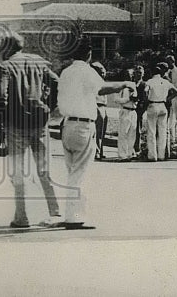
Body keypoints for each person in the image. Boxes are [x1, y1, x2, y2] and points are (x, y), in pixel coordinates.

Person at [57, 41, 135, 227]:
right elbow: (102, 88)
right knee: (81, 173)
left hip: (67, 124)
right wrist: (125, 83)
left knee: (72, 171)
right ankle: (75, 217)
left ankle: (71, 214)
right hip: (83, 125)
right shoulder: (86, 70)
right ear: (89, 54)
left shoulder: (66, 72)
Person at [0, 33, 62, 228]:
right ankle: (55, 212)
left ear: (7, 48)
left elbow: (1, 95)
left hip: (15, 124)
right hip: (40, 123)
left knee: (18, 172)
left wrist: (2, 119)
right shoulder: (39, 64)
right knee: (44, 170)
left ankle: (22, 217)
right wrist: (49, 105)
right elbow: (56, 82)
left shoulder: (5, 67)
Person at [144, 62, 177, 161]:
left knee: (152, 131)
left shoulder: (150, 81)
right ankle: (161, 155)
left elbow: (145, 91)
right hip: (162, 105)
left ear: (152, 73)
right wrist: (167, 99)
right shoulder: (165, 82)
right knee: (162, 131)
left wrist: (146, 101)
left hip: (153, 104)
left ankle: (152, 155)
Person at [114, 68, 139, 161]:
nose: (130, 76)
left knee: (132, 133)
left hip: (133, 111)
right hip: (125, 110)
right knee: (123, 133)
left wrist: (135, 99)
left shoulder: (133, 85)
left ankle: (129, 154)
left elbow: (136, 98)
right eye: (129, 74)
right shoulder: (121, 86)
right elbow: (116, 99)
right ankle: (122, 155)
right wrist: (128, 99)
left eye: (132, 74)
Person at [91, 62, 109, 160]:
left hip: (104, 107)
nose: (103, 73)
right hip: (97, 105)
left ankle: (100, 150)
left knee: (102, 131)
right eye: (100, 72)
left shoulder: (102, 82)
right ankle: (96, 151)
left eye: (103, 71)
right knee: (97, 131)